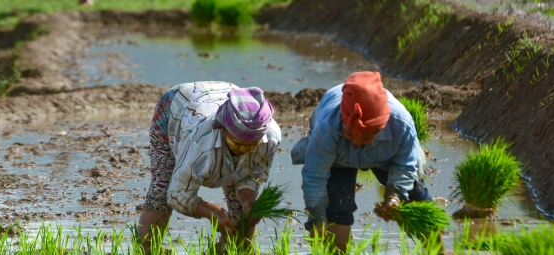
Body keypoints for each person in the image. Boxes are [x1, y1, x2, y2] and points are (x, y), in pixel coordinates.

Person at [295, 72, 435, 253]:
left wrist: (394, 196)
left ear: (381, 126)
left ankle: (436, 250)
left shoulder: (401, 124)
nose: (356, 142)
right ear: (342, 121)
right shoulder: (327, 128)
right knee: (335, 212)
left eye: (366, 136)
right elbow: (315, 177)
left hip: (385, 155)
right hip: (338, 159)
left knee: (417, 199)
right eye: (350, 134)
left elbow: (405, 166)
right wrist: (318, 219)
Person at [137, 81, 281, 253]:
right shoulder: (200, 141)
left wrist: (248, 199)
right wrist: (209, 210)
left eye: (250, 145)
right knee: (162, 187)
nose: (242, 150)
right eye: (237, 143)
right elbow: (177, 193)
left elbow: (251, 175)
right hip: (176, 107)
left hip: (226, 97)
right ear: (221, 127)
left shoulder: (269, 137)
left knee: (243, 213)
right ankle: (146, 249)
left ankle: (229, 249)